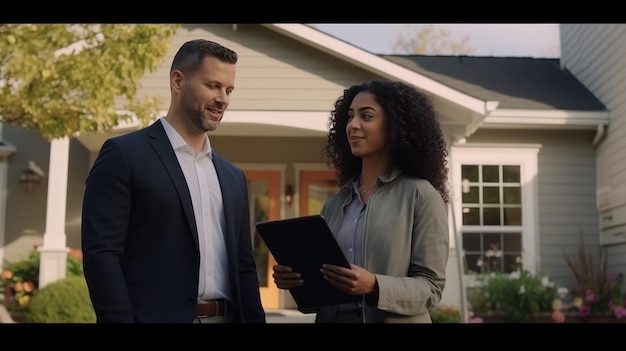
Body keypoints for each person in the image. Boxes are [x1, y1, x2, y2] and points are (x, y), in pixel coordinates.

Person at [81, 39, 266, 323]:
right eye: (213, 86)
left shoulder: (233, 177)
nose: (223, 99)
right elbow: (101, 255)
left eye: (228, 90)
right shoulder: (124, 156)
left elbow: (244, 267)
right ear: (178, 81)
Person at [273, 79, 450, 323]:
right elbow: (318, 297)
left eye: (366, 116)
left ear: (395, 125)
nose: (353, 125)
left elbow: (431, 289)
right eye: (349, 117)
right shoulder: (335, 204)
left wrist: (375, 286)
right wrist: (298, 282)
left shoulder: (420, 195)